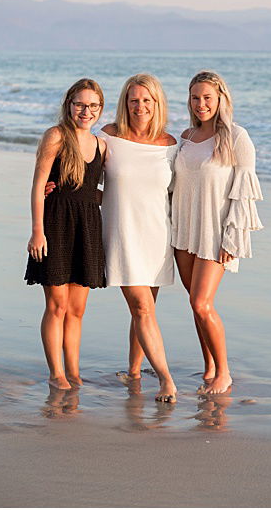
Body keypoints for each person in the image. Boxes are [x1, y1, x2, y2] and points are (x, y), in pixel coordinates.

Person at [171, 70, 263, 394]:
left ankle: (224, 372)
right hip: (183, 231)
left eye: (207, 97)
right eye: (195, 98)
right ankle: (209, 367)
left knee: (201, 303)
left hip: (215, 232)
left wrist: (232, 238)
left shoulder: (236, 137)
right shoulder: (185, 136)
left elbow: (244, 191)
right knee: (194, 303)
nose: (201, 104)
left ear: (221, 98)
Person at [98, 73, 178, 403]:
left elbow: (182, 192)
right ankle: (166, 380)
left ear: (156, 103)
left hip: (157, 235)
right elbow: (84, 172)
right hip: (122, 234)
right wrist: (55, 186)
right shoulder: (108, 138)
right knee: (143, 308)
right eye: (134, 100)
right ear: (125, 103)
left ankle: (133, 370)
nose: (140, 106)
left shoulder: (172, 144)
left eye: (147, 100)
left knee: (145, 310)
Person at [25, 78, 107, 390]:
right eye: (80, 104)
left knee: (77, 309)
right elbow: (37, 185)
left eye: (93, 106)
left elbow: (95, 192)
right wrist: (37, 232)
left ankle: (74, 371)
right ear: (69, 105)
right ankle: (56, 373)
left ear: (100, 109)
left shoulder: (102, 145)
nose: (86, 111)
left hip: (87, 228)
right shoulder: (56, 136)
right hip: (55, 226)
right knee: (56, 304)